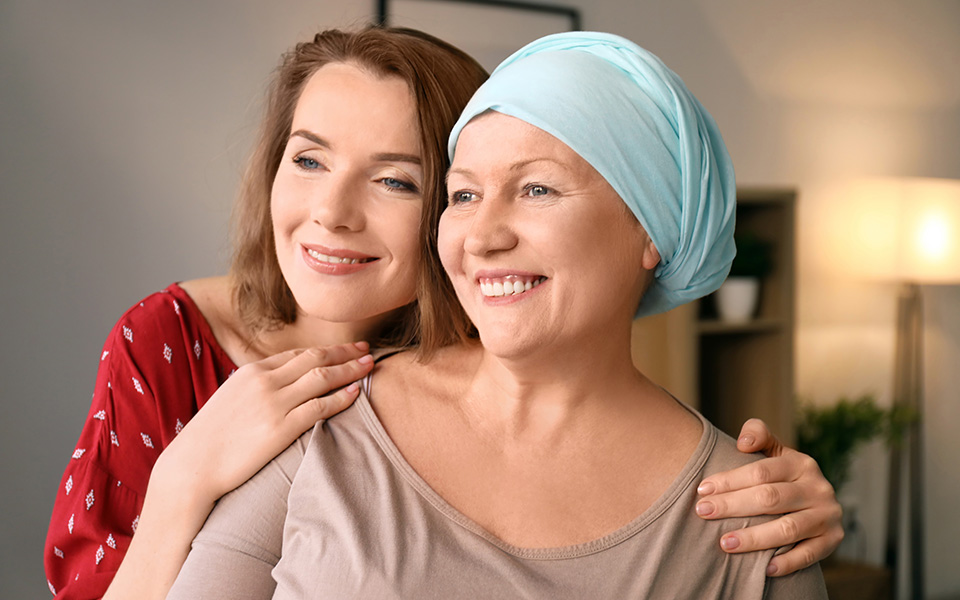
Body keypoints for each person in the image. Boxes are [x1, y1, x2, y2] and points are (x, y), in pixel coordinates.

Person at [45, 26, 838, 600]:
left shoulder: (498, 328)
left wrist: (799, 500)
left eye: (397, 180)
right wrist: (186, 474)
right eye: (309, 159)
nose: (332, 213)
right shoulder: (174, 346)